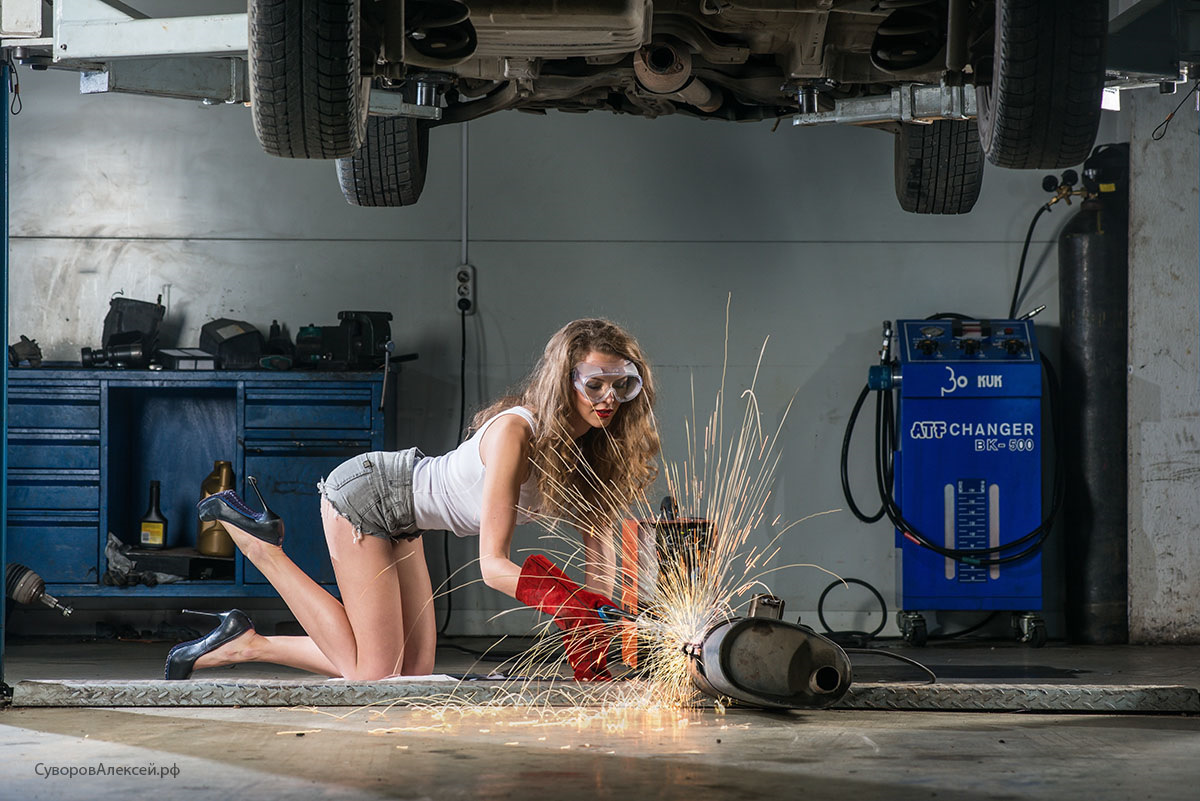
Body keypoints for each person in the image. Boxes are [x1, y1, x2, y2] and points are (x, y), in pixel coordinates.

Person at [164, 318, 659, 682]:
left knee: (414, 673)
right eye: (594, 384)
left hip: (404, 519)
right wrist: (568, 602)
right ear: (564, 380)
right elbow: (493, 565)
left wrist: (606, 619)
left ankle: (246, 643)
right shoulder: (517, 432)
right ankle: (260, 546)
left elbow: (599, 551)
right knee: (374, 677)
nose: (609, 398)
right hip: (367, 495)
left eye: (623, 385)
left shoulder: (593, 450)